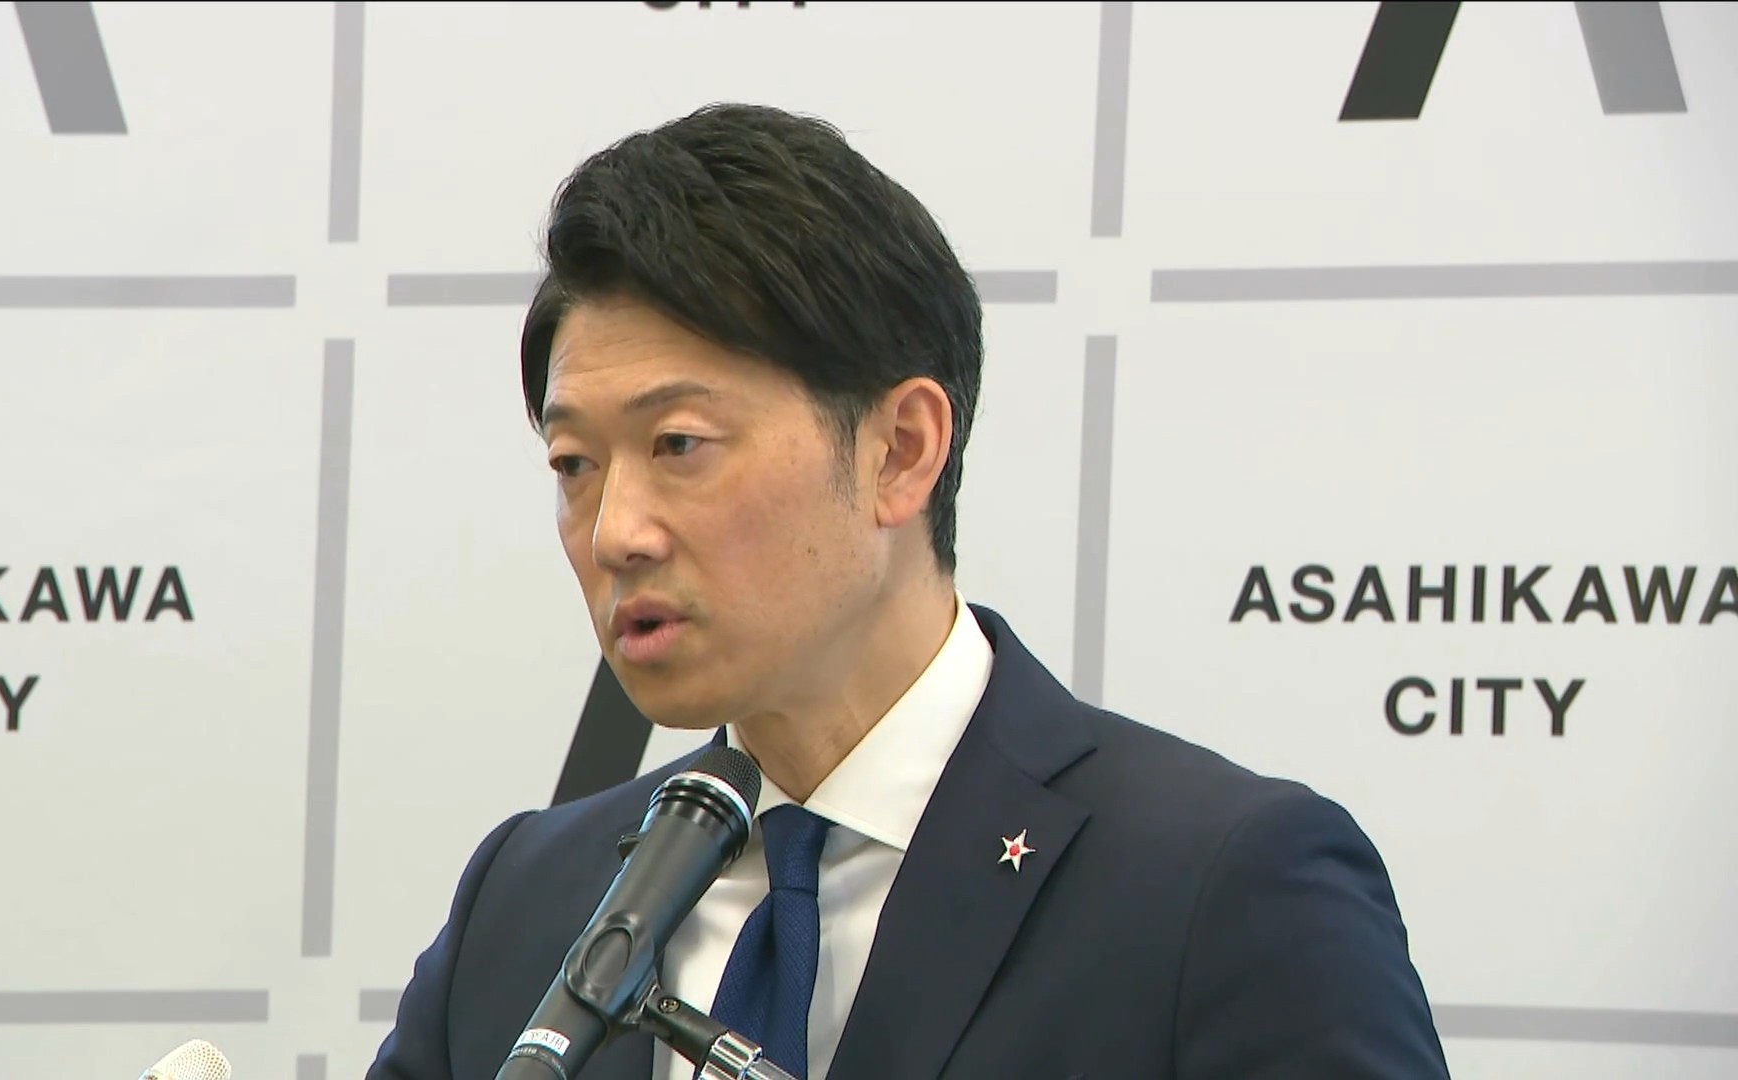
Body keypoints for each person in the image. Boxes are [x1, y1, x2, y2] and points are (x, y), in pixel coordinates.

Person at [367, 102, 1451, 1080]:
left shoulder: (1219, 891)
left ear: (901, 450)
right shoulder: (528, 900)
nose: (615, 533)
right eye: (573, 465)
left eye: (679, 444)